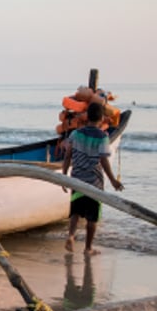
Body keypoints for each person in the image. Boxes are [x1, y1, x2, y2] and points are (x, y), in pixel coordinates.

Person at [61, 101, 124, 254]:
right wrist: (113, 181)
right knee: (92, 218)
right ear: (102, 118)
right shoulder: (103, 137)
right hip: (94, 183)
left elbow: (68, 155)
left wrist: (64, 176)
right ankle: (88, 248)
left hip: (76, 179)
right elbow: (103, 160)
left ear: (87, 116)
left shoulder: (76, 134)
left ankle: (71, 236)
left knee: (75, 211)